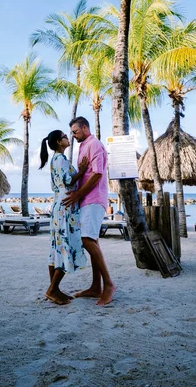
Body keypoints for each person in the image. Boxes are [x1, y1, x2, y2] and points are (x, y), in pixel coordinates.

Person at [62, 117, 116, 306]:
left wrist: (77, 195)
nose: (74, 135)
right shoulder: (83, 146)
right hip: (86, 200)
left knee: (86, 240)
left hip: (94, 199)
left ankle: (108, 285)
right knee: (92, 241)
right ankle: (95, 287)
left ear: (85, 128)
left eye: (76, 131)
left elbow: (98, 173)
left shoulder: (94, 144)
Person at [39, 130, 88, 305]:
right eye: (65, 137)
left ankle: (55, 289)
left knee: (57, 247)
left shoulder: (57, 159)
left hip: (60, 204)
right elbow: (68, 180)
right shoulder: (60, 159)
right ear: (60, 142)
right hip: (66, 205)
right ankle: (52, 289)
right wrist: (82, 171)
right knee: (65, 245)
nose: (69, 138)